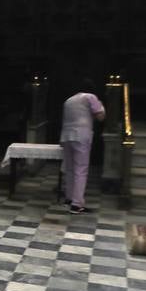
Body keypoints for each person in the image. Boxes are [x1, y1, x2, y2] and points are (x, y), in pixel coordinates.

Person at [60, 80, 106, 214]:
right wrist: (102, 106)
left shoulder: (68, 100)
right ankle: (76, 204)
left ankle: (69, 198)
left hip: (66, 135)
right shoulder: (90, 97)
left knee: (70, 168)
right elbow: (100, 116)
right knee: (81, 169)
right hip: (81, 135)